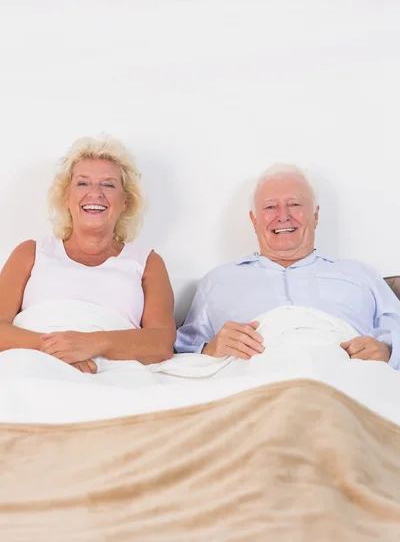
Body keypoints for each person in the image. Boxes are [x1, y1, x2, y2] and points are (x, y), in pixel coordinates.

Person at [175, 164, 400, 369]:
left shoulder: (361, 276)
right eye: (270, 207)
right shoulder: (218, 281)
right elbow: (180, 352)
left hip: (344, 383)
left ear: (316, 215)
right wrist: (210, 349)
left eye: (294, 204)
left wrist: (387, 351)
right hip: (251, 388)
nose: (283, 216)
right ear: (254, 221)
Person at [0, 135, 176, 373]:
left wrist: (92, 344)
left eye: (108, 184)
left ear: (125, 201)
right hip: (30, 365)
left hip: (112, 373)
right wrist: (61, 353)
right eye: (83, 183)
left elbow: (161, 343)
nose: (95, 193)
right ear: (67, 197)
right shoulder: (31, 252)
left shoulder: (147, 263)